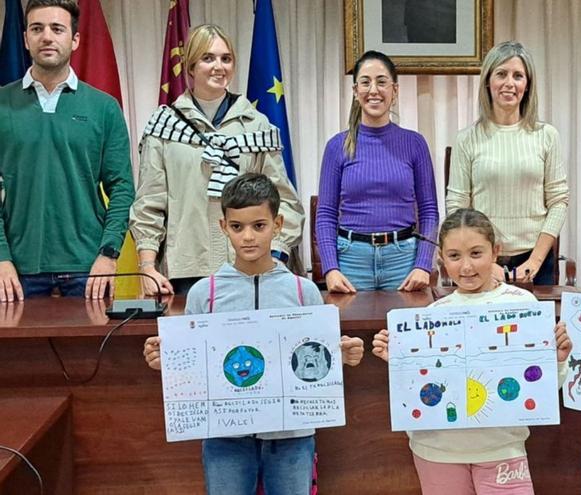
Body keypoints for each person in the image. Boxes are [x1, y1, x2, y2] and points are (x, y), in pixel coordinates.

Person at [142, 173, 364, 494]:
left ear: (278, 224)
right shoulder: (206, 293)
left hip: (291, 436)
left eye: (259, 226)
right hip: (225, 436)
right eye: (237, 227)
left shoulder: (304, 293)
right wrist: (170, 363)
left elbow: (313, 362)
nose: (248, 237)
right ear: (223, 227)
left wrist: (340, 355)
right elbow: (193, 368)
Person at [372, 208, 573, 494]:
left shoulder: (522, 305)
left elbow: (544, 388)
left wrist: (557, 360)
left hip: (502, 449)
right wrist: (398, 361)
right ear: (441, 258)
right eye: (454, 256)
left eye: (476, 254)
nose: (466, 267)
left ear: (496, 251)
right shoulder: (433, 315)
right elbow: (419, 393)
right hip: (437, 451)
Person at [130, 24, 304, 297]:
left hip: (249, 270)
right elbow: (149, 204)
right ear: (190, 66)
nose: (218, 66)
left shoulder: (257, 126)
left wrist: (276, 255)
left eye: (226, 58)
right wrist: (147, 266)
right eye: (207, 58)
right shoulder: (164, 127)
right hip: (186, 270)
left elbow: (285, 202)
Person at [0, 0, 134, 301]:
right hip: (15, 272)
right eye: (37, 28)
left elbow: (122, 187)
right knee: (16, 352)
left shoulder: (104, 108)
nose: (47, 36)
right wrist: (1, 258)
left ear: (74, 39)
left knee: (93, 351)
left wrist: (109, 254)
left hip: (88, 270)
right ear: (25, 39)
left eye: (57, 28)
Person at [446, 41, 569, 286]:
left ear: (527, 85)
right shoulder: (467, 139)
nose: (509, 83)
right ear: (488, 82)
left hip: (536, 262)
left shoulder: (547, 136)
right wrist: (487, 261)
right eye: (501, 74)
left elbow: (558, 201)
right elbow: (458, 206)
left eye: (518, 76)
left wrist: (534, 262)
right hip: (483, 262)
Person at [316, 50, 438, 293]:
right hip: (351, 261)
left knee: (400, 331)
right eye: (365, 82)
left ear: (395, 90)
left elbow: (429, 211)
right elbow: (326, 214)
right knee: (353, 331)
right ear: (355, 91)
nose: (373, 90)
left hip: (403, 261)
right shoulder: (336, 146)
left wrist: (423, 264)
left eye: (382, 82)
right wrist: (330, 269)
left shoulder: (415, 143)